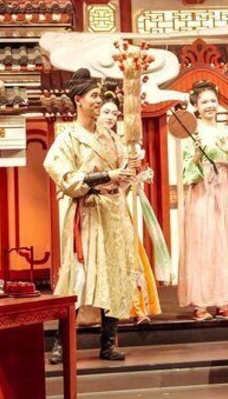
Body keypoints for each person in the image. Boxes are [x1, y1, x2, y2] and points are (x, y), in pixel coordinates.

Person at [45, 69, 140, 364]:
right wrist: (106, 175)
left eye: (99, 96)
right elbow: (65, 176)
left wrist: (130, 169)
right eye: (94, 96)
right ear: (79, 100)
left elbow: (122, 171)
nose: (99, 101)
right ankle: (61, 343)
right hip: (87, 211)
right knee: (79, 276)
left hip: (113, 211)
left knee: (115, 273)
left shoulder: (109, 135)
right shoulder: (68, 138)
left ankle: (108, 342)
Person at [179, 80, 228, 321]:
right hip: (202, 190)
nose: (210, 105)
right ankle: (200, 303)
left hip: (225, 188)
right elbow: (187, 174)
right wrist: (197, 156)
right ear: (196, 106)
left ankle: (223, 301)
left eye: (213, 100)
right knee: (203, 243)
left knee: (226, 241)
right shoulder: (191, 133)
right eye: (204, 102)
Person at [97, 95, 171, 324]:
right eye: (105, 112)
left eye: (114, 113)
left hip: (118, 205)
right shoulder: (87, 141)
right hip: (95, 206)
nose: (110, 117)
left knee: (130, 256)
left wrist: (135, 175)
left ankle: (137, 306)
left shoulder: (122, 145)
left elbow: (124, 185)